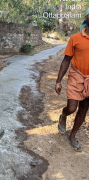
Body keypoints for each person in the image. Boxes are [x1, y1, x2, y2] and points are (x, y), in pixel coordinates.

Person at [55, 8, 89, 152]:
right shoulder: (75, 38)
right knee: (72, 108)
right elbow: (66, 60)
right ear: (87, 17)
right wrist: (58, 81)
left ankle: (72, 135)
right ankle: (63, 115)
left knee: (83, 109)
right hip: (76, 76)